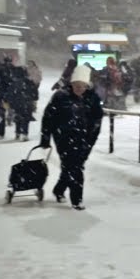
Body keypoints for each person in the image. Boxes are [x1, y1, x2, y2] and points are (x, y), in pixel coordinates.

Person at [39, 63, 104, 210]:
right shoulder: (60, 97)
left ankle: (59, 190)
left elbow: (97, 120)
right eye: (76, 85)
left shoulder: (92, 98)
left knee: (72, 167)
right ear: (71, 83)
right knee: (74, 168)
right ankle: (77, 200)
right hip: (63, 138)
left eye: (82, 86)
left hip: (84, 139)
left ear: (87, 85)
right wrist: (45, 137)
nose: (79, 89)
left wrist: (91, 138)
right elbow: (48, 118)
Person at [7, 65, 39, 142]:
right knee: (26, 118)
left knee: (18, 117)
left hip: (17, 103)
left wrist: (11, 104)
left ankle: (17, 132)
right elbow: (35, 94)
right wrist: (33, 99)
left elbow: (10, 94)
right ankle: (25, 133)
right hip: (27, 103)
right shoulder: (30, 82)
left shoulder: (13, 84)